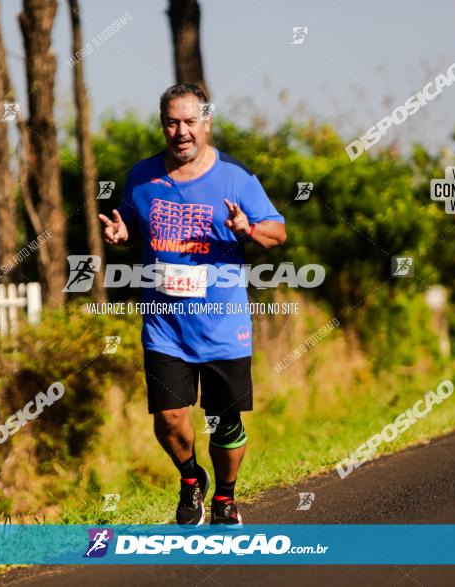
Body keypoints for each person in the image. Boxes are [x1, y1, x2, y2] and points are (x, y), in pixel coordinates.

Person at [98, 83, 286, 525]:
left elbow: (278, 232)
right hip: (165, 325)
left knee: (225, 423)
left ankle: (225, 496)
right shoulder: (141, 177)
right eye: (171, 122)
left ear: (206, 122)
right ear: (162, 124)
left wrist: (247, 229)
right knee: (168, 418)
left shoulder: (235, 178)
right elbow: (130, 222)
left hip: (222, 325)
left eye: (189, 122)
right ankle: (189, 479)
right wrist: (123, 237)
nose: (180, 132)